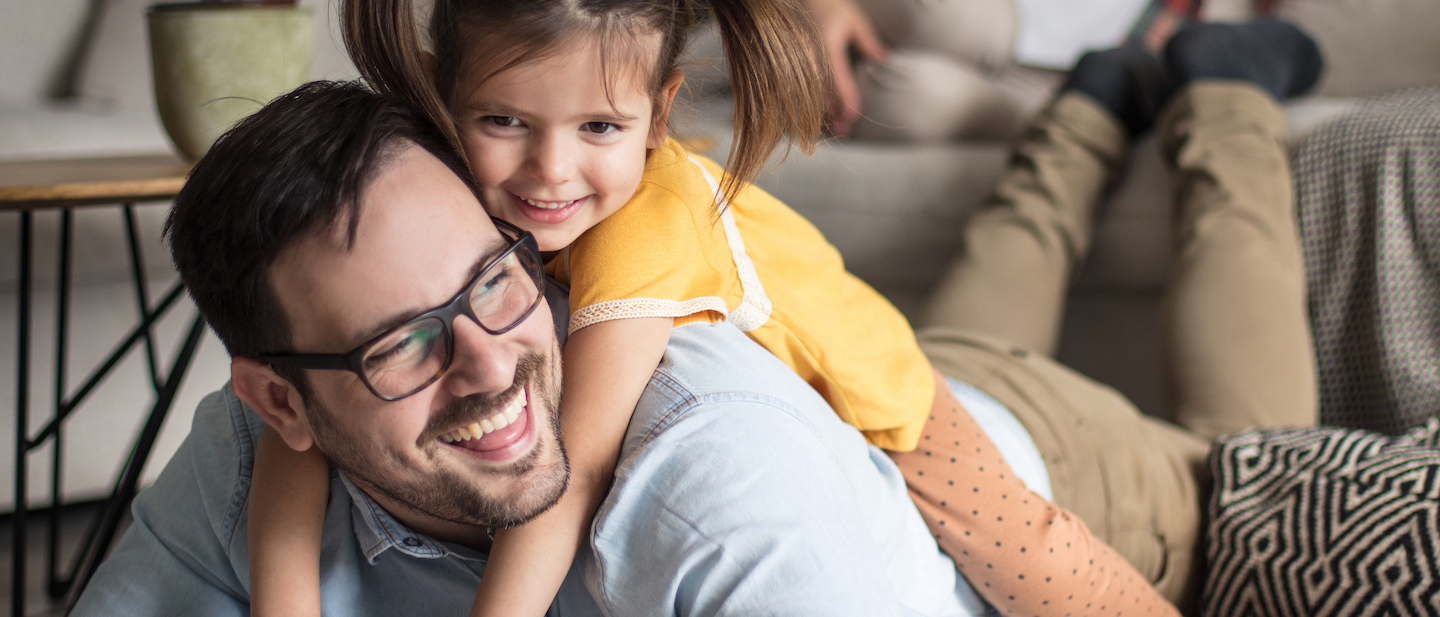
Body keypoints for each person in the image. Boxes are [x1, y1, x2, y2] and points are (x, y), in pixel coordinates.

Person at [72, 19, 1325, 617]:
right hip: (857, 354)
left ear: (659, 116)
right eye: (399, 339)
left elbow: (568, 485)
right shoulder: (316, 376)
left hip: (1001, 454)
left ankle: (1217, 89)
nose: (487, 358)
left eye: (491, 287)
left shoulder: (701, 454)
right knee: (1002, 251)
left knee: (1254, 436)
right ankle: (1093, 105)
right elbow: (286, 468)